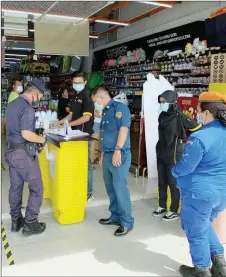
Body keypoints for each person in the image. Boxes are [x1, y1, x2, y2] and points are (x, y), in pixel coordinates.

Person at [172, 91, 226, 277]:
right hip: (221, 191)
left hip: (200, 193)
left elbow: (186, 167)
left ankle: (201, 269)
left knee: (195, 229)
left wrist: (174, 171)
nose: (195, 114)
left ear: (207, 112)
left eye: (198, 110)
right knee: (204, 224)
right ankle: (219, 262)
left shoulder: (200, 138)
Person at [5, 79, 46, 236]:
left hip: (10, 151)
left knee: (16, 187)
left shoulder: (12, 104)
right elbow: (27, 134)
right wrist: (42, 139)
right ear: (34, 93)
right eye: (40, 96)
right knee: (37, 188)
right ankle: (30, 223)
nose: (40, 99)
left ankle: (16, 220)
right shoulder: (27, 108)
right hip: (22, 154)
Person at [153, 90, 202, 221]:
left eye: (164, 102)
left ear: (172, 101)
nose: (162, 104)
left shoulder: (180, 116)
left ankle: (174, 209)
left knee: (172, 181)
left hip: (173, 153)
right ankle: (162, 205)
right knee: (162, 180)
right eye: (160, 102)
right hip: (161, 151)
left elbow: (197, 127)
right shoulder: (162, 115)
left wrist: (187, 141)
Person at [94, 87, 134, 237]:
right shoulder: (105, 111)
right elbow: (105, 134)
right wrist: (102, 154)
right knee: (110, 188)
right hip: (108, 154)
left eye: (95, 101)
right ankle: (115, 216)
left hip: (119, 154)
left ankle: (127, 222)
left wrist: (117, 149)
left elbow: (123, 129)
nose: (95, 104)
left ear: (100, 97)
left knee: (119, 188)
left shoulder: (120, 108)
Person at [50, 72, 94, 201]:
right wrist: (58, 123)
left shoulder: (87, 96)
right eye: (75, 82)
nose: (77, 85)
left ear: (85, 83)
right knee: (77, 163)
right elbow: (71, 115)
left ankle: (88, 192)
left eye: (79, 83)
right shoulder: (75, 96)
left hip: (84, 134)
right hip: (75, 134)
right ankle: (78, 187)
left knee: (86, 164)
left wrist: (69, 124)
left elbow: (86, 117)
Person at [90, 90, 103, 163]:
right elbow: (93, 113)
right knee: (94, 141)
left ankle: (93, 157)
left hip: (98, 123)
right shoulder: (94, 104)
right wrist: (101, 116)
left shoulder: (100, 103)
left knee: (96, 141)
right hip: (96, 123)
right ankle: (91, 158)